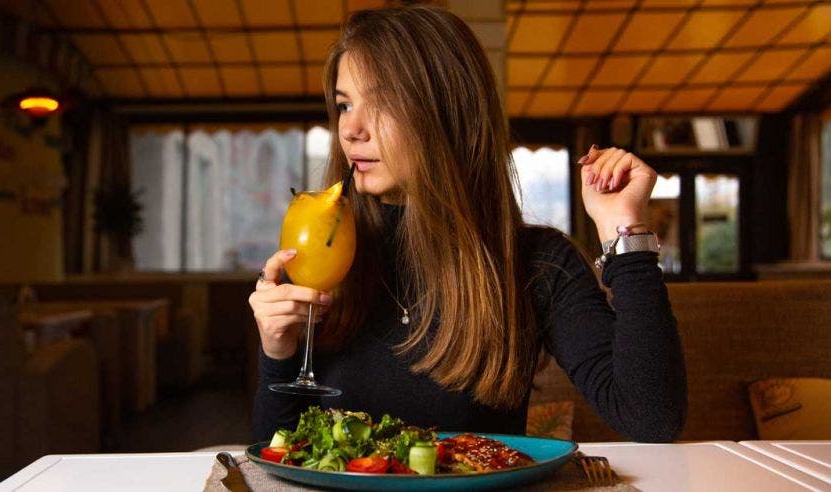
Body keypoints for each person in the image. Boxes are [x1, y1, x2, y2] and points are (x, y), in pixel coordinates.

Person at [249, 5, 686, 443]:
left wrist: (625, 231)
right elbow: (277, 457)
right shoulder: (320, 256)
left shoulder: (538, 263)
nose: (350, 130)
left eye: (382, 102)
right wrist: (278, 352)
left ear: (447, 113)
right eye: (344, 105)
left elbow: (653, 419)